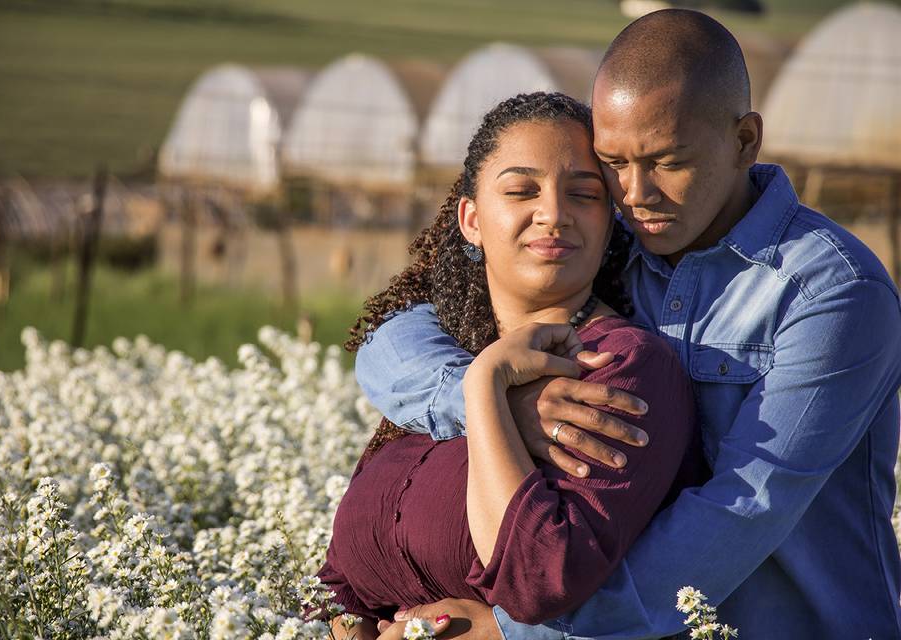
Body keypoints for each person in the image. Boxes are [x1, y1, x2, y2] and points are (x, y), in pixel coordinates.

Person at [355, 9, 901, 640]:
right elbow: (396, 332)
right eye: (612, 163)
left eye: (668, 161)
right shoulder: (620, 236)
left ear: (745, 140)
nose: (636, 193)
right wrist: (502, 402)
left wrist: (514, 632)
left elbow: (741, 507)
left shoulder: (833, 292)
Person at [319, 92, 706, 640]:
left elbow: (538, 582)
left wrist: (486, 389)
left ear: (609, 222)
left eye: (583, 194)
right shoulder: (441, 360)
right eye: (522, 190)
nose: (553, 214)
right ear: (471, 220)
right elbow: (345, 570)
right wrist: (348, 623)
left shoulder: (623, 368)